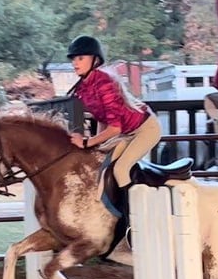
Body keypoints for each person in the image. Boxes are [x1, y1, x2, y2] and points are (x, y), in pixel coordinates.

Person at [65, 35, 162, 191]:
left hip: (145, 130)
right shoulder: (83, 87)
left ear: (95, 60)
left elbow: (115, 128)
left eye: (80, 58)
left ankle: (129, 214)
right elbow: (102, 118)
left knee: (120, 169)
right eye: (73, 59)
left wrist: (87, 143)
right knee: (99, 162)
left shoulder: (105, 83)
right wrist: (97, 146)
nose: (75, 63)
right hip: (126, 132)